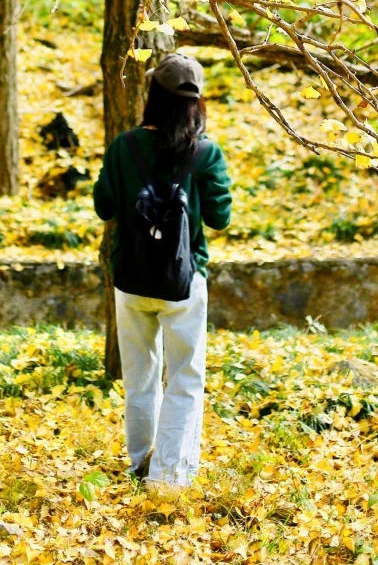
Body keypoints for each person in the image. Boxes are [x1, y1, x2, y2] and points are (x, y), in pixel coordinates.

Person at [93, 52, 231, 487]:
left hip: (131, 280)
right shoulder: (205, 153)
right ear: (197, 102)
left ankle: (139, 464)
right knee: (185, 379)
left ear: (152, 94)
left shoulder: (124, 146)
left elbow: (103, 206)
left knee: (140, 378)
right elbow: (219, 217)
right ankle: (168, 476)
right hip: (184, 283)